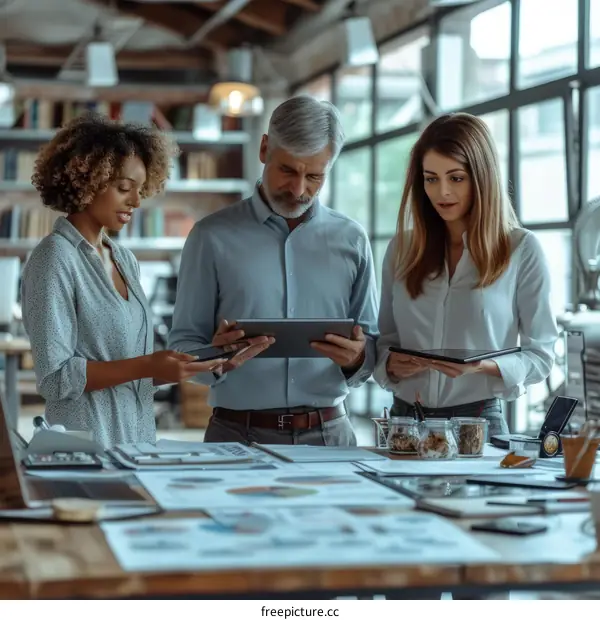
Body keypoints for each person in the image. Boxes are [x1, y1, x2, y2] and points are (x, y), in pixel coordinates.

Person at [168, 95, 379, 446]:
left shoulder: (352, 239)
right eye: (288, 170)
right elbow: (183, 345)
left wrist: (357, 358)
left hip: (330, 436)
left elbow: (372, 344)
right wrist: (216, 358)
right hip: (235, 436)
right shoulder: (211, 236)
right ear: (264, 148)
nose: (299, 189)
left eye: (314, 176)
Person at [20, 113, 231, 448]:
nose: (136, 201)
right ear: (89, 181)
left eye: (140, 189)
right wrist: (147, 365)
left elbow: (134, 371)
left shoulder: (124, 259)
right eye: (123, 189)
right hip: (87, 449)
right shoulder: (53, 258)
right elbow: (55, 378)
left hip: (137, 444)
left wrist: (196, 361)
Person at [373, 112, 558, 436]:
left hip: (478, 425)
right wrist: (389, 363)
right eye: (431, 178)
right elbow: (385, 341)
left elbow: (541, 355)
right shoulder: (402, 247)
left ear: (481, 177)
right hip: (404, 424)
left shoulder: (521, 249)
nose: (442, 192)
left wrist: (483, 366)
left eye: (455, 178)